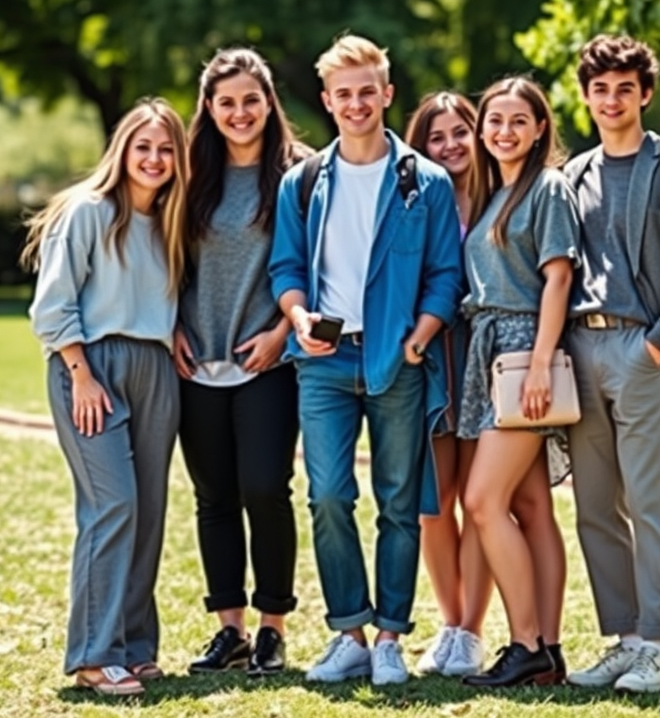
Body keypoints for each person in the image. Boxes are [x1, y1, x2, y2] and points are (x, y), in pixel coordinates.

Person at [269, 34, 462, 686]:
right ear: (327, 101)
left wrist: (422, 334)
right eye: (343, 94)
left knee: (400, 504)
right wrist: (297, 318)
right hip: (322, 361)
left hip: (397, 358)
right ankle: (348, 632)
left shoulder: (424, 183)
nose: (356, 103)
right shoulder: (301, 182)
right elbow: (286, 268)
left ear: (387, 93)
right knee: (326, 495)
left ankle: (390, 639)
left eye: (366, 91)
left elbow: (444, 272)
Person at [564, 35, 660, 693]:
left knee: (651, 503)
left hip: (645, 351)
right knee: (595, 505)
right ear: (586, 97)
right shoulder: (573, 174)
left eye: (623, 88)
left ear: (645, 93)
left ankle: (657, 646)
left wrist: (657, 343)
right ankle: (625, 641)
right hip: (581, 349)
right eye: (599, 89)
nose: (611, 100)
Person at [22, 97, 188, 696]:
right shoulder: (88, 212)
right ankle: (93, 656)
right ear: (122, 150)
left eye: (166, 148)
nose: (154, 157)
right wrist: (81, 374)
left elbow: (159, 300)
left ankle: (135, 647)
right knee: (112, 505)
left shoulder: (169, 223)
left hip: (155, 369)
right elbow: (52, 305)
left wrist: (175, 337)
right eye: (143, 146)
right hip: (90, 365)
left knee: (147, 512)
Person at [174, 48, 308, 676]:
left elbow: (322, 269)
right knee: (214, 497)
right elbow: (168, 262)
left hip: (268, 361)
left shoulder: (300, 175)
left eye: (250, 99)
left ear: (269, 101)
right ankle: (229, 630)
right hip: (198, 362)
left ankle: (272, 627)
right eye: (226, 102)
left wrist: (283, 331)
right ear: (208, 107)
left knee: (264, 486)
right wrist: (171, 325)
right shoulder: (189, 175)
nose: (239, 112)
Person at [452, 77, 579, 688]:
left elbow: (558, 280)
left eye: (517, 121)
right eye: (494, 120)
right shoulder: (494, 192)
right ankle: (547, 652)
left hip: (522, 355)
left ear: (538, 129)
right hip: (491, 356)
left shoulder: (547, 188)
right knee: (528, 504)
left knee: (481, 500)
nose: (503, 130)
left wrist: (537, 364)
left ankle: (526, 641)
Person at [405, 91, 493, 678]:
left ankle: (472, 631)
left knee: (480, 501)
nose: (450, 145)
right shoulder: (415, 199)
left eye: (460, 131)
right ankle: (450, 622)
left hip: (487, 358)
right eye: (436, 137)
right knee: (433, 506)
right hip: (432, 357)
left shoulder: (502, 195)